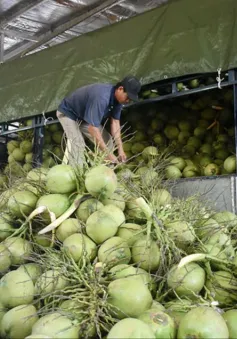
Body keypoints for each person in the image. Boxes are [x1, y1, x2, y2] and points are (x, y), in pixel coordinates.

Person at [56, 75, 141, 166]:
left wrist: (120, 149)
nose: (128, 101)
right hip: (68, 114)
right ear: (120, 89)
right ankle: (76, 174)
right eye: (128, 97)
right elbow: (92, 128)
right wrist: (109, 155)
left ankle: (105, 171)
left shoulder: (118, 101)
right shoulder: (102, 98)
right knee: (78, 144)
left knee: (107, 140)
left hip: (84, 117)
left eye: (130, 100)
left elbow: (115, 122)